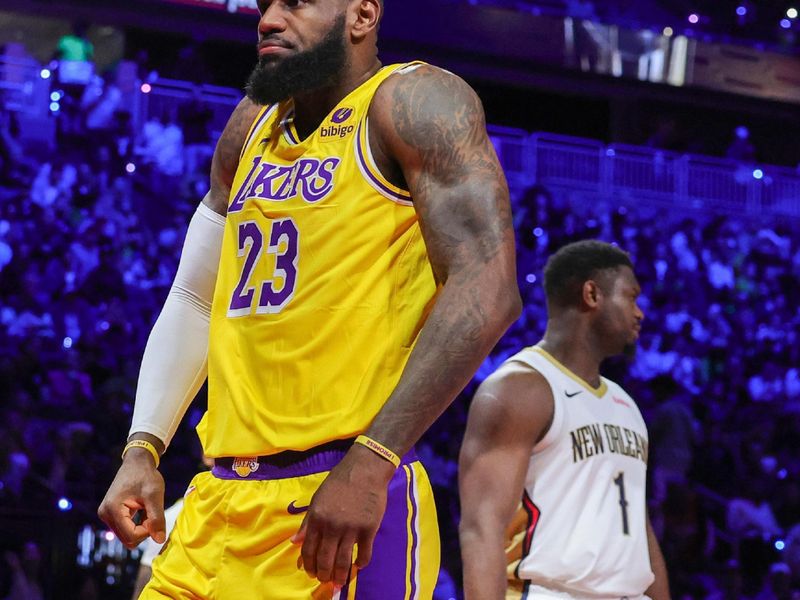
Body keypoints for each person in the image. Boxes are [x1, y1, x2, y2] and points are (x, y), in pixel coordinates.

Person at [97, 1, 520, 598]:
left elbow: (488, 288)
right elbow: (195, 297)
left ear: (362, 15)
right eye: (265, 2)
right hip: (217, 500)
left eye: (295, 2)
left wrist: (373, 460)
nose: (268, 18)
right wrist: (144, 446)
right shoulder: (250, 124)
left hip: (336, 498)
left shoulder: (414, 102)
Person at [459, 240, 669, 600]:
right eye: (631, 297)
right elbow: (482, 528)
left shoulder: (625, 404)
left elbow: (638, 529)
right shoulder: (520, 389)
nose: (640, 313)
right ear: (591, 294)